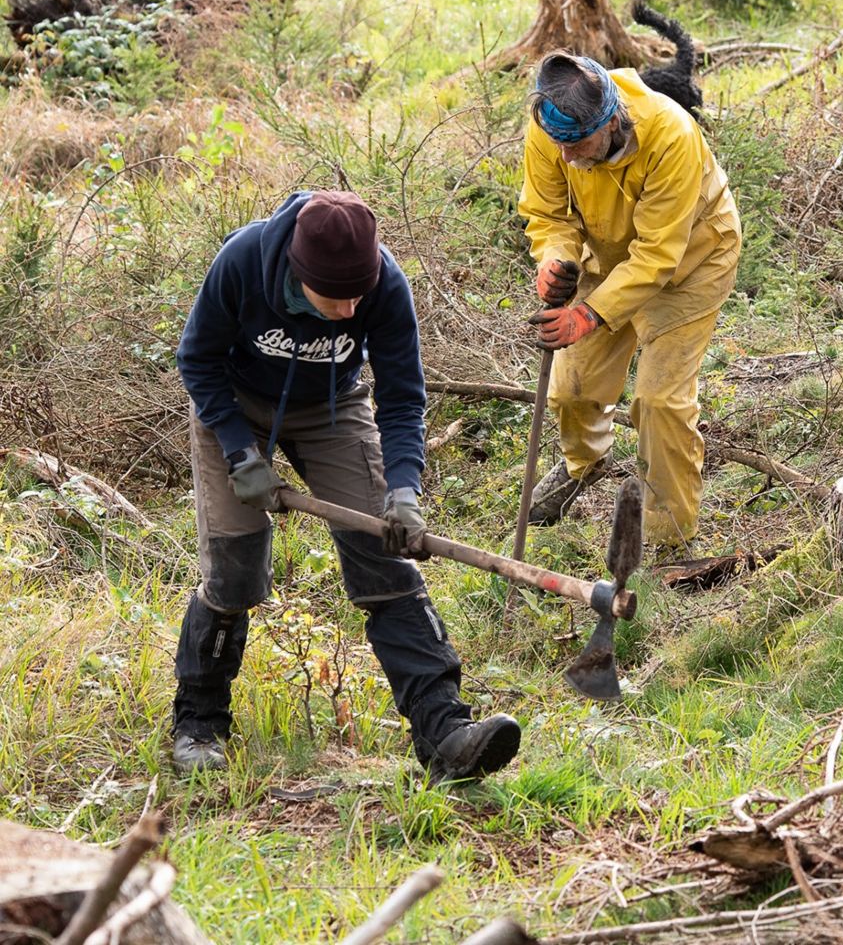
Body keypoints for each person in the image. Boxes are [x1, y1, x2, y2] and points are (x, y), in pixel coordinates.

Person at [172, 190, 521, 779]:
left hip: (333, 409)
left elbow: (404, 396)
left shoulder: (385, 284)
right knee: (234, 572)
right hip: (232, 406)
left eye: (358, 294)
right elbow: (197, 360)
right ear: (297, 274)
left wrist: (404, 489)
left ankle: (446, 733)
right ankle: (199, 722)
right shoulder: (242, 263)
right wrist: (239, 452)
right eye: (336, 298)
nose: (350, 306)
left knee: (385, 560)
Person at [518, 51, 741, 550]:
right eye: (560, 145)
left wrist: (590, 313)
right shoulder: (551, 128)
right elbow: (548, 212)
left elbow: (659, 254)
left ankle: (667, 539)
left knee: (660, 402)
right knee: (571, 388)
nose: (568, 157)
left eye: (577, 144)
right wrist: (555, 259)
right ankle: (584, 463)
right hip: (609, 253)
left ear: (612, 120)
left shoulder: (671, 135)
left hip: (692, 260)